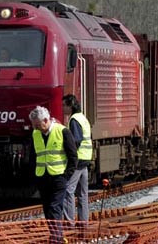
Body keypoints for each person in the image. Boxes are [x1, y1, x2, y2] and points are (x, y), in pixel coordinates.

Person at [29, 106, 77, 243]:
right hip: (43, 178)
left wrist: (66, 176)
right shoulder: (35, 134)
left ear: (45, 120)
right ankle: (56, 236)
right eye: (34, 126)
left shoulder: (62, 131)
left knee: (55, 207)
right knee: (47, 209)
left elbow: (73, 156)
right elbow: (33, 156)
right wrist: (34, 176)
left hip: (58, 177)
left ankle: (57, 238)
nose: (36, 128)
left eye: (38, 125)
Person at [62, 94, 92, 224]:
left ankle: (70, 223)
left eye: (64, 105)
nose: (63, 108)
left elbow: (77, 140)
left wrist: (69, 155)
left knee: (68, 191)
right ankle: (83, 223)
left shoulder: (74, 120)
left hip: (78, 160)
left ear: (70, 106)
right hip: (85, 159)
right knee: (83, 194)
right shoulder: (82, 118)